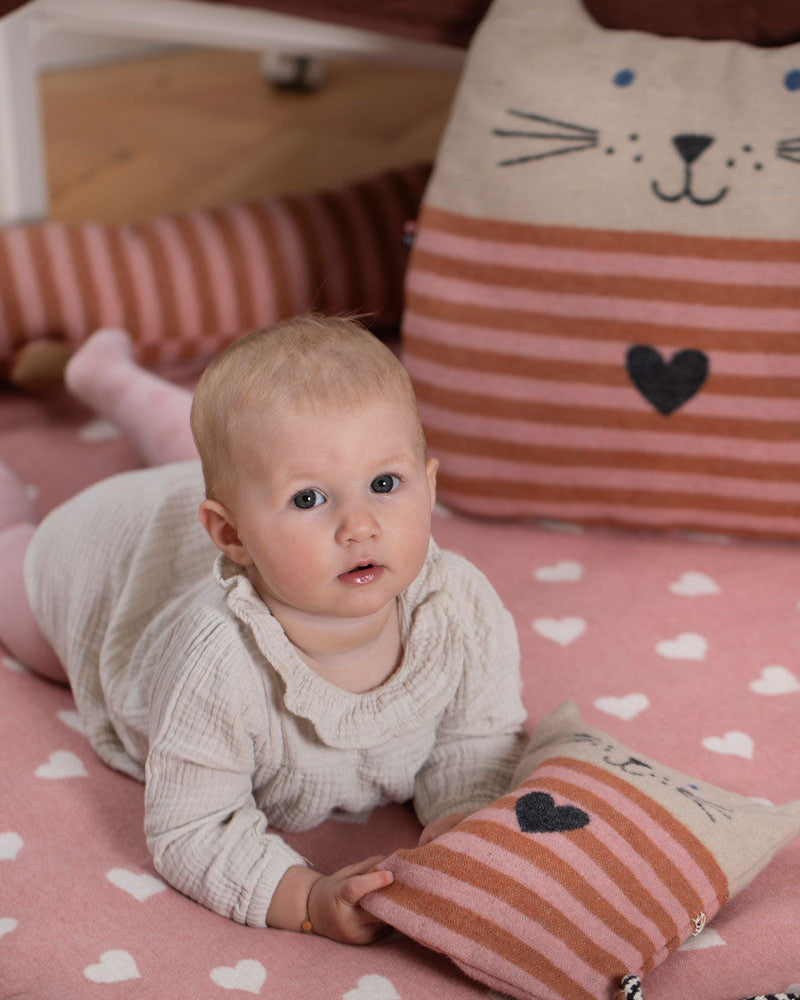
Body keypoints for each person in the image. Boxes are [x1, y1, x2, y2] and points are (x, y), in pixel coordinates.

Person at [0, 315, 527, 944]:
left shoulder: (458, 606)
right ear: (230, 536)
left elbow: (477, 736)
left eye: (385, 484)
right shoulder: (220, 661)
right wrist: (307, 898)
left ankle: (106, 376)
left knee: (250, 454)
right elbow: (193, 828)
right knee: (14, 582)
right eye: (310, 500)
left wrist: (464, 819)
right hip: (104, 563)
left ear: (429, 486)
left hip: (237, 507)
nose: (359, 525)